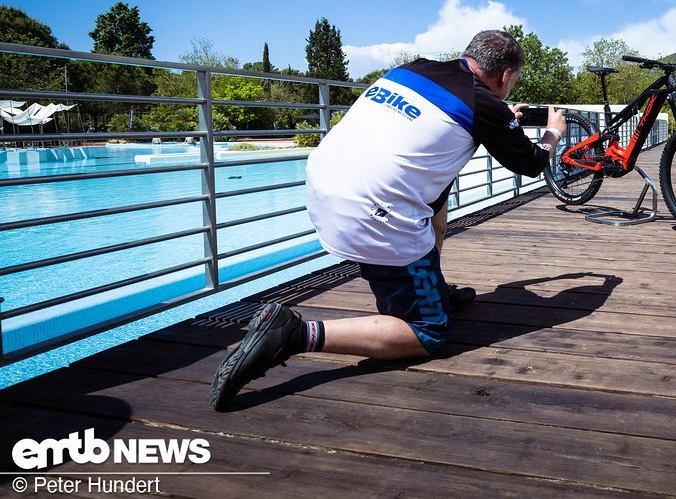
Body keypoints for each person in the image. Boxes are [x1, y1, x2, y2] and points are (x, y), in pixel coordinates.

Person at [210, 30, 567, 410]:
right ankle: (297, 334)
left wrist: (497, 118)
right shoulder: (486, 104)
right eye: (514, 81)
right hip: (373, 214)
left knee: (433, 193)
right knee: (427, 334)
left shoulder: (412, 68)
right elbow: (530, 163)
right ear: (506, 75)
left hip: (323, 186)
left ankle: (434, 289)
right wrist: (552, 133)